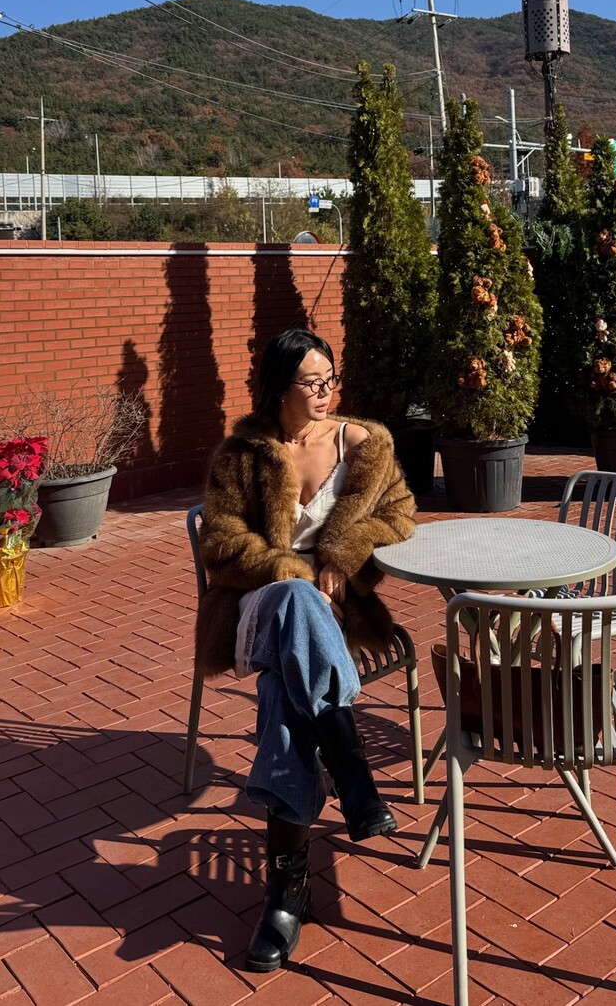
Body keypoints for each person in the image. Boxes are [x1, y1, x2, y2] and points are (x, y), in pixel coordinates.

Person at [195, 328, 416, 973]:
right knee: (294, 601)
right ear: (278, 389)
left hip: (334, 621)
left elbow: (401, 517)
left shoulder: (364, 446)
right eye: (311, 382)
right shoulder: (243, 454)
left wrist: (343, 555)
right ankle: (351, 769)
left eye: (330, 379)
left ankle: (286, 892)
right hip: (256, 609)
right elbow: (220, 543)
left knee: (283, 693)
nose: (325, 392)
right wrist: (291, 570)